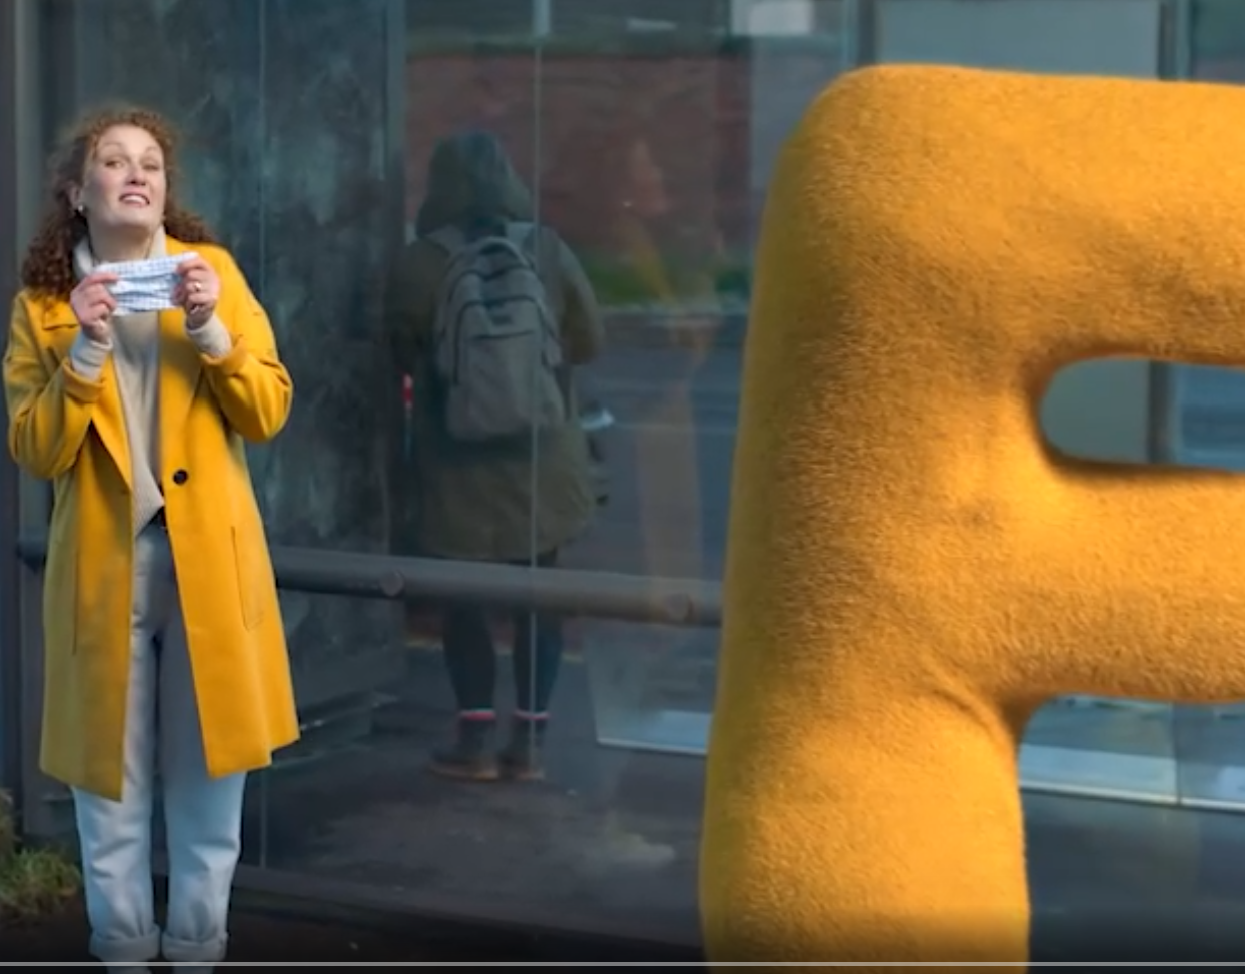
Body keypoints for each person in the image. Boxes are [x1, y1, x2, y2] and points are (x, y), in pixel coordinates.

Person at [3, 105, 299, 972]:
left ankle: (199, 949)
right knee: (111, 785)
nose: (137, 173)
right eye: (114, 160)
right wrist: (85, 351)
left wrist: (210, 330)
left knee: (210, 783)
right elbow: (35, 450)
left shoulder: (214, 274)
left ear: (165, 192)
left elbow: (268, 411)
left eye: (152, 164)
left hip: (209, 564)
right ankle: (124, 952)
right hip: (105, 571)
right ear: (76, 192)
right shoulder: (44, 309)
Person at [385, 131, 604, 783]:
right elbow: (588, 340)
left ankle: (474, 739)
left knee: (464, 602)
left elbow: (401, 356)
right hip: (543, 460)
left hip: (456, 465)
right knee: (540, 594)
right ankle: (529, 742)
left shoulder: (420, 264)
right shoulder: (546, 250)